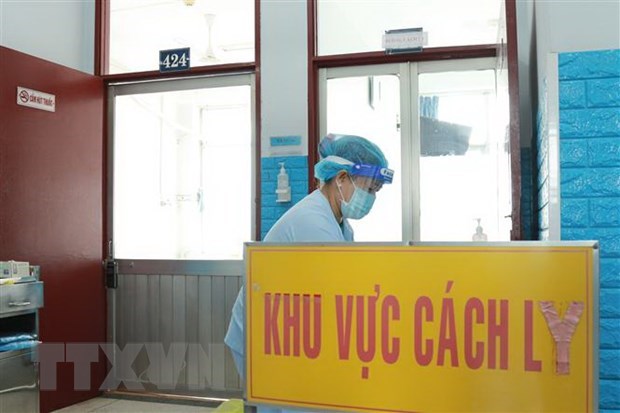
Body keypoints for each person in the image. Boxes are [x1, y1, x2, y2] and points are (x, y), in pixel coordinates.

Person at [224, 133, 394, 411]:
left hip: (287, 330)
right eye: (369, 189)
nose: (371, 198)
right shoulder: (313, 222)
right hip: (262, 334)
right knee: (281, 403)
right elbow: (337, 296)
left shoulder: (340, 224)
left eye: (375, 191)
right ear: (341, 178)